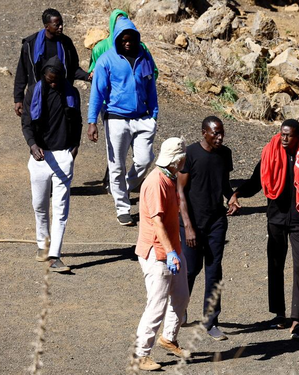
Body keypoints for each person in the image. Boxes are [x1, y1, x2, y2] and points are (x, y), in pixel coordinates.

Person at [229, 119, 299, 339]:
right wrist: (237, 194)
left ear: (298, 136)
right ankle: (279, 314)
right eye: (282, 134)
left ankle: (297, 319)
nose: (283, 138)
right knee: (275, 265)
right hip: (276, 219)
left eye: (288, 135)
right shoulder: (271, 153)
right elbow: (256, 181)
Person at [87, 16, 158, 227]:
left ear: (137, 38)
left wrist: (154, 114)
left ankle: (123, 188)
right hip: (116, 118)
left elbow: (151, 86)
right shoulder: (106, 60)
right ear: (117, 39)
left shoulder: (144, 57)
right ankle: (122, 207)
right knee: (116, 165)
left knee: (145, 160)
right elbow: (97, 93)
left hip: (143, 117)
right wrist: (92, 121)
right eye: (123, 39)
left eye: (131, 39)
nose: (127, 43)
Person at [177, 116, 238, 341]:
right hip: (191, 223)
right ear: (204, 132)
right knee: (190, 270)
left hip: (216, 222)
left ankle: (211, 321)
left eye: (222, 132)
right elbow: (180, 192)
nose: (220, 137)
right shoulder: (190, 155)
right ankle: (179, 309)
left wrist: (232, 197)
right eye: (215, 133)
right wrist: (188, 227)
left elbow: (223, 184)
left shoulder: (225, 154)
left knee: (214, 270)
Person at [21, 56, 82, 273]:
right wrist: (32, 145)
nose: (54, 83)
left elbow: (78, 122)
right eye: (50, 79)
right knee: (39, 205)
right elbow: (26, 123)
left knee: (60, 208)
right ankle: (43, 245)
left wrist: (75, 147)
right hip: (40, 157)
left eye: (57, 80)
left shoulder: (71, 94)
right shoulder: (34, 92)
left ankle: (55, 255)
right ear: (44, 76)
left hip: (63, 156)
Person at [134, 137, 190, 371]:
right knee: (156, 305)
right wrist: (169, 252)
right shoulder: (156, 182)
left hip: (170, 249)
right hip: (157, 253)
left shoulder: (171, 176)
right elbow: (157, 222)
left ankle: (168, 337)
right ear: (177, 160)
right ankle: (141, 354)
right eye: (183, 156)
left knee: (181, 296)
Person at [14, 8, 90, 117]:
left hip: (61, 96)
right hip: (38, 95)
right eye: (56, 25)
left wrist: (88, 76)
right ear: (46, 26)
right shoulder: (30, 45)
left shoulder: (66, 44)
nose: (61, 27)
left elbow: (73, 69)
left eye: (62, 24)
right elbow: (22, 72)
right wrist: (18, 99)